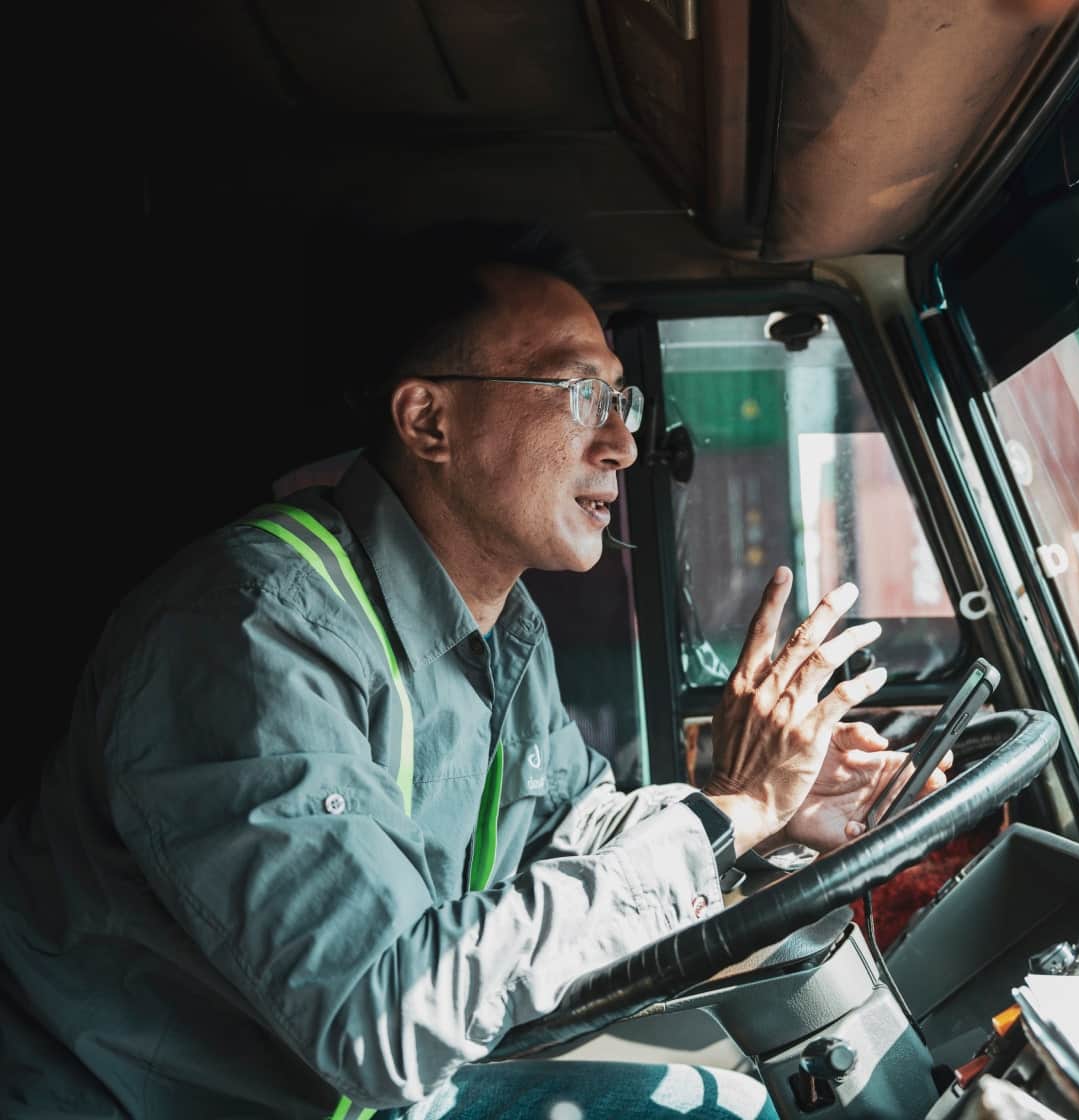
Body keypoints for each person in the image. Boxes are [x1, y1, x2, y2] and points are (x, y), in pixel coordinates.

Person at [0, 223, 947, 1119]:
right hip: (160, 1102)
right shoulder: (246, 627)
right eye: (579, 394)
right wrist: (725, 812)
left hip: (356, 1099)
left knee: (729, 1105)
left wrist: (765, 812)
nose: (620, 441)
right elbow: (382, 1016)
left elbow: (567, 827)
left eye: (622, 400)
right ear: (428, 420)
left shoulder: (501, 626)